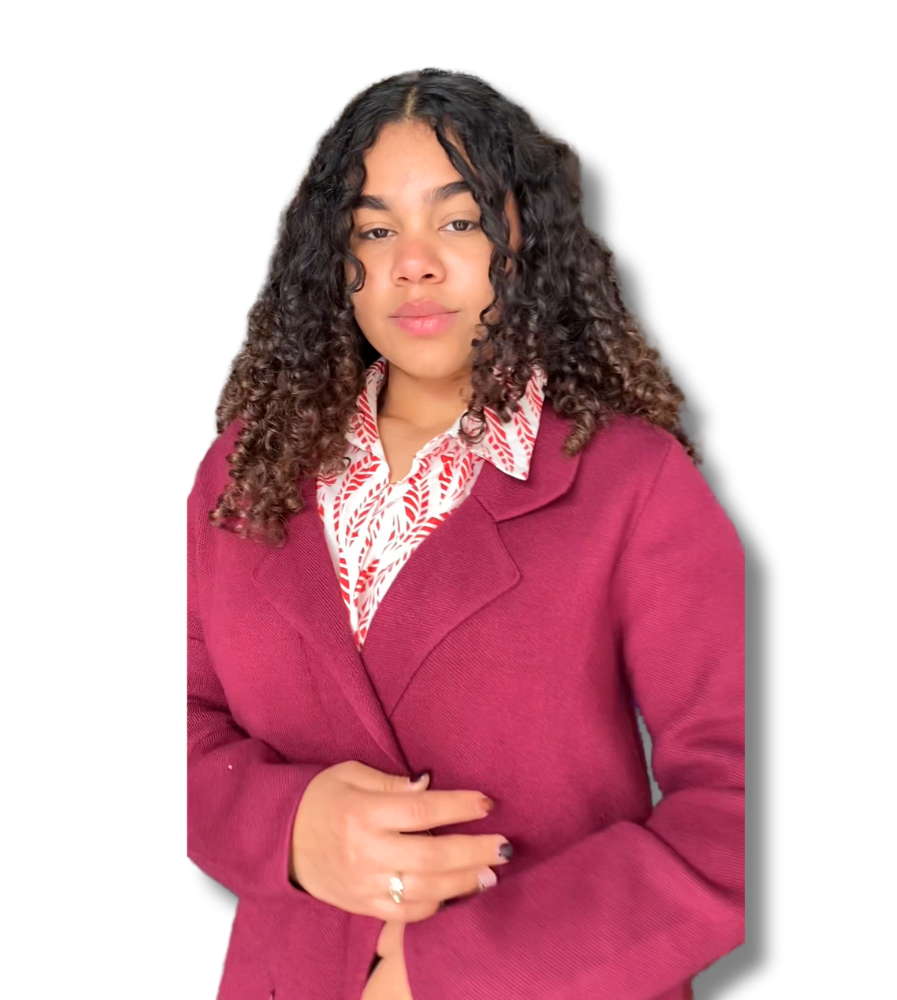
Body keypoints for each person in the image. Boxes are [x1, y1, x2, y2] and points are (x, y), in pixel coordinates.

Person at [187, 68, 745, 1000]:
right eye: (375, 230)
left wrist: (461, 970)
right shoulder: (246, 472)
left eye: (458, 221)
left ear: (526, 242)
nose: (414, 264)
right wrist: (286, 827)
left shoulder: (634, 483)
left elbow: (747, 810)